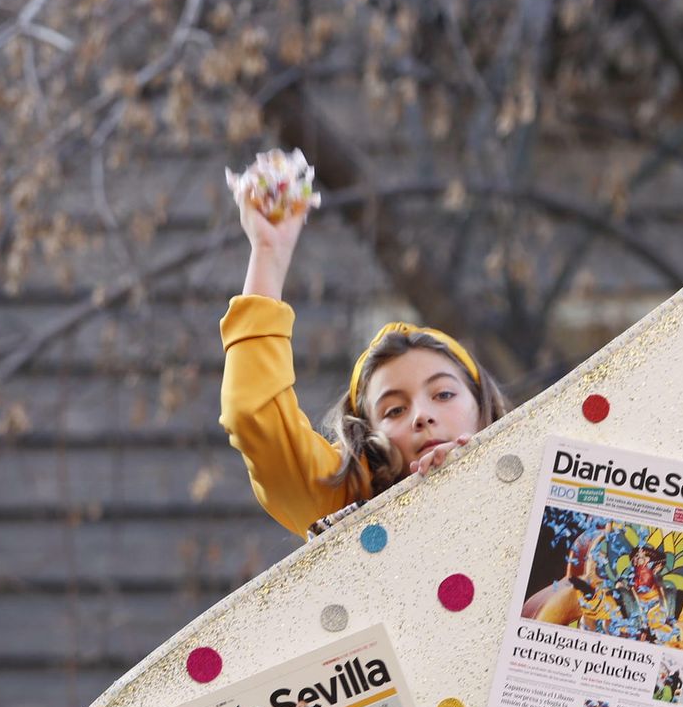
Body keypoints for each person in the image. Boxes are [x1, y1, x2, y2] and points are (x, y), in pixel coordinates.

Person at [219, 157, 511, 539]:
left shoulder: (544, 473)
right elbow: (253, 416)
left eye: (443, 393)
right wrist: (268, 254)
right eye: (394, 409)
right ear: (368, 440)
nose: (422, 416)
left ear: (483, 407)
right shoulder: (346, 502)